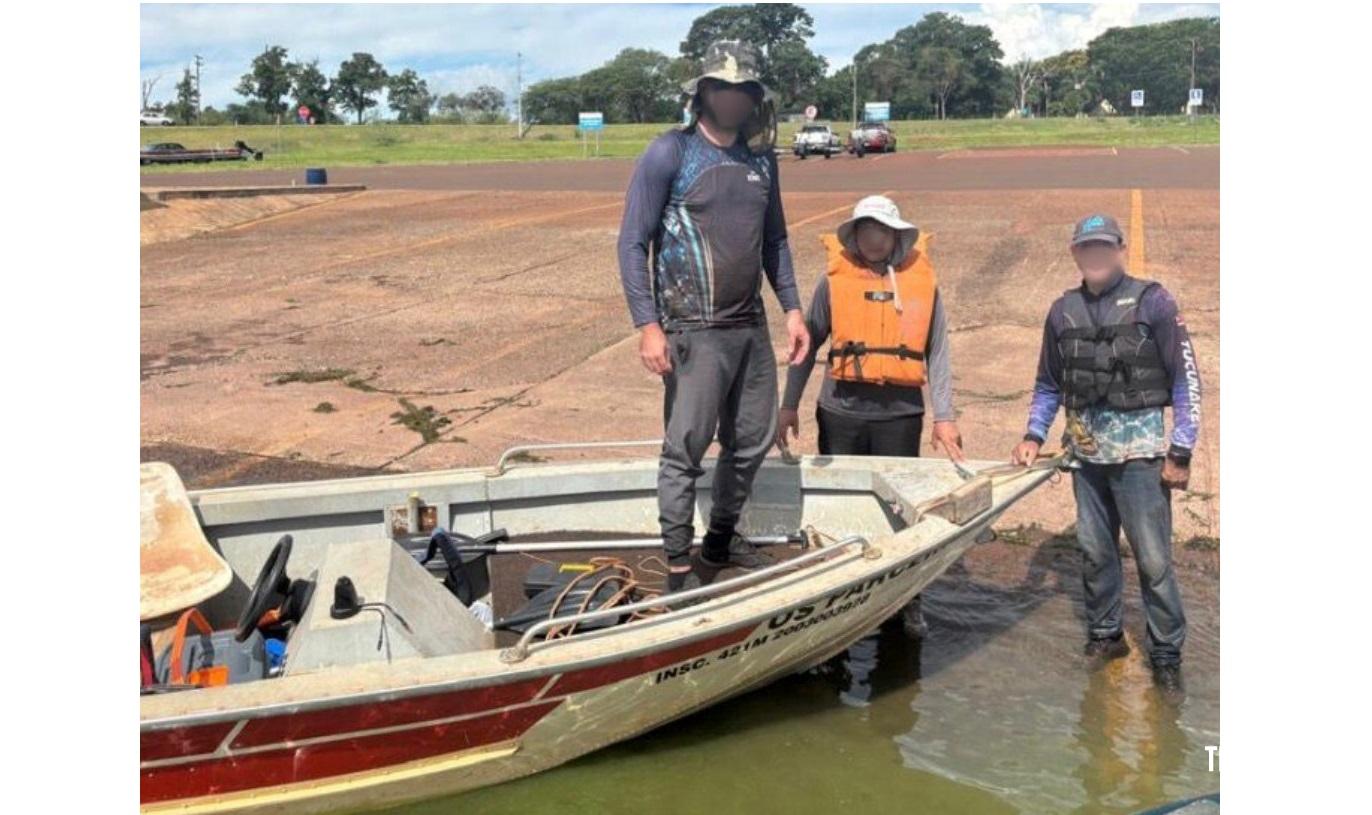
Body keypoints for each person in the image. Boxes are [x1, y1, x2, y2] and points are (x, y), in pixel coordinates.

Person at [617, 41, 810, 592]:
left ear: (754, 97)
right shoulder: (669, 154)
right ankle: (679, 567)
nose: (732, 98)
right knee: (686, 448)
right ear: (701, 91)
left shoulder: (760, 161)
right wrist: (647, 325)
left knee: (751, 441)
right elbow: (633, 244)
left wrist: (793, 310)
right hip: (691, 332)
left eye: (743, 89)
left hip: (749, 328)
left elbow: (775, 240)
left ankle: (720, 542)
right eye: (721, 88)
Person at [1010, 213, 1202, 701]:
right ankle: (1106, 636)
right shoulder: (1061, 311)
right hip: (1087, 460)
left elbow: (1185, 381)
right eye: (1086, 248)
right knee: (1096, 554)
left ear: (1119, 249)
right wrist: (1033, 434)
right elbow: (1048, 384)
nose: (1095, 256)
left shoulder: (1153, 302)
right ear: (1075, 253)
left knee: (1154, 560)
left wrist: (1180, 450)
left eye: (1103, 247)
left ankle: (1166, 655)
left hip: (1141, 459)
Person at [778, 194, 963, 636]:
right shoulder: (833, 283)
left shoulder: (923, 284)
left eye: (882, 230)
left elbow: (937, 352)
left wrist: (945, 415)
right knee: (840, 509)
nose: (874, 239)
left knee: (901, 511)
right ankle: (837, 600)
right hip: (840, 412)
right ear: (855, 235)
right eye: (865, 230)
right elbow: (807, 349)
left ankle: (905, 602)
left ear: (896, 236)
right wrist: (788, 406)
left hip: (899, 416)